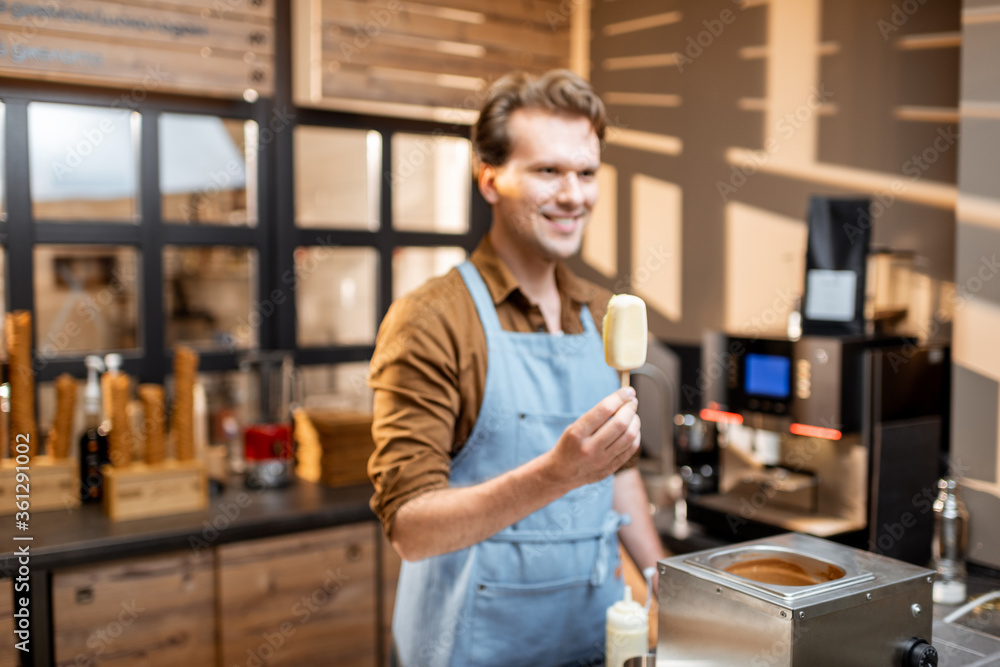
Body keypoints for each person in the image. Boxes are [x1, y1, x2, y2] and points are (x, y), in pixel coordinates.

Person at [368, 69, 666, 667]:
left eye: (585, 173)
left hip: (593, 644)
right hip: (470, 648)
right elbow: (411, 528)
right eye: (547, 171)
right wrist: (555, 474)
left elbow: (618, 475)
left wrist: (665, 583)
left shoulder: (599, 315)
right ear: (490, 179)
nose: (573, 195)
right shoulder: (431, 321)